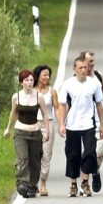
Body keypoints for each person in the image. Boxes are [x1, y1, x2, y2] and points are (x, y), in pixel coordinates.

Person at [58, 55, 103, 198]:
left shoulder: (94, 84)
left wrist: (101, 124)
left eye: (85, 67)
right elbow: (62, 105)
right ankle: (73, 184)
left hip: (88, 124)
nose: (84, 70)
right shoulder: (67, 84)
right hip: (72, 125)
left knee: (90, 152)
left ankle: (85, 181)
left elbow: (99, 104)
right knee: (73, 155)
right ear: (74, 69)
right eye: (80, 68)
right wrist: (61, 123)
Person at [3, 69, 45, 199]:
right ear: (21, 82)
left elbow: (45, 114)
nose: (30, 82)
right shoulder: (16, 97)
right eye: (27, 80)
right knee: (22, 158)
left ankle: (32, 185)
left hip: (35, 132)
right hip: (20, 131)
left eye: (32, 80)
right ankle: (22, 183)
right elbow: (13, 113)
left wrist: (46, 131)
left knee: (35, 160)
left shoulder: (39, 96)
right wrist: (8, 128)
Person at [82, 50, 103, 193]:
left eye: (93, 61)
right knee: (87, 152)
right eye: (89, 61)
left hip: (97, 121)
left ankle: (95, 171)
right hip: (82, 122)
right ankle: (86, 181)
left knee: (99, 150)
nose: (92, 64)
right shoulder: (76, 80)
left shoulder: (99, 77)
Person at [33, 64, 58, 196]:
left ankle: (43, 183)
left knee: (46, 155)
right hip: (33, 124)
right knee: (34, 154)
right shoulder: (30, 91)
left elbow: (57, 108)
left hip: (48, 124)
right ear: (37, 76)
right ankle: (33, 182)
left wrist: (61, 124)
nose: (47, 77)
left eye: (48, 75)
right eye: (44, 75)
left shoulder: (52, 91)